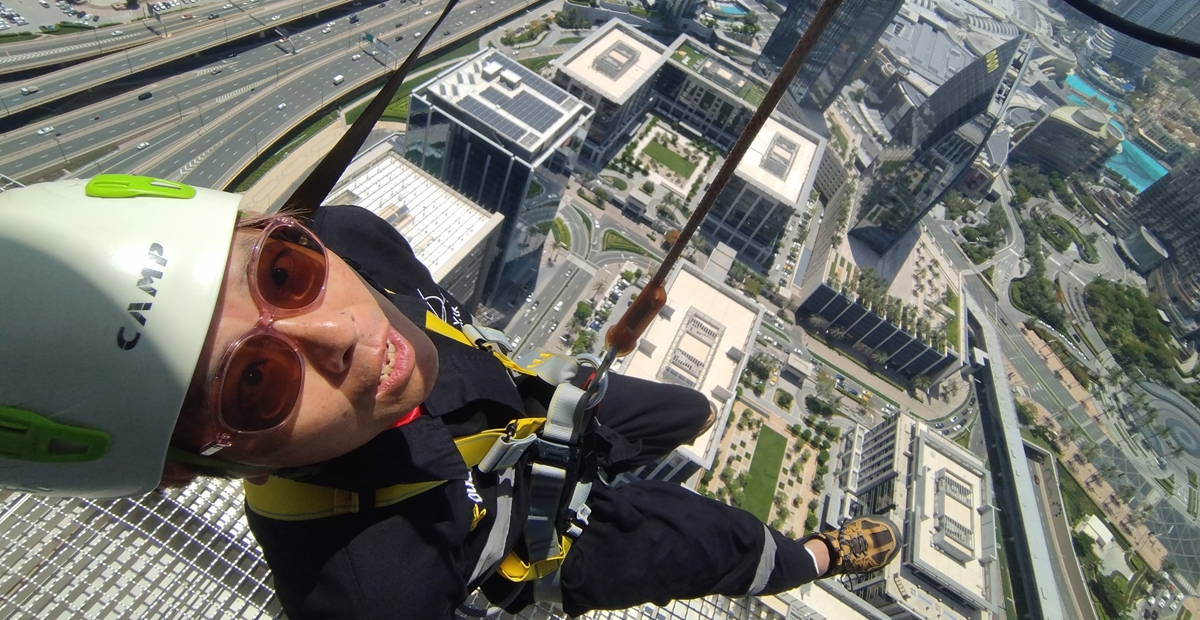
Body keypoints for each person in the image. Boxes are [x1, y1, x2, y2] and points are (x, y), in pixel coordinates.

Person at [0, 176, 902, 619]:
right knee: (709, 539)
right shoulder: (367, 589)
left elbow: (420, 310)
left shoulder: (353, 239)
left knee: (684, 413)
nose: (343, 336)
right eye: (257, 380)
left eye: (283, 269)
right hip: (536, 546)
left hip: (524, 407)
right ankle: (813, 555)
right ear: (188, 462)